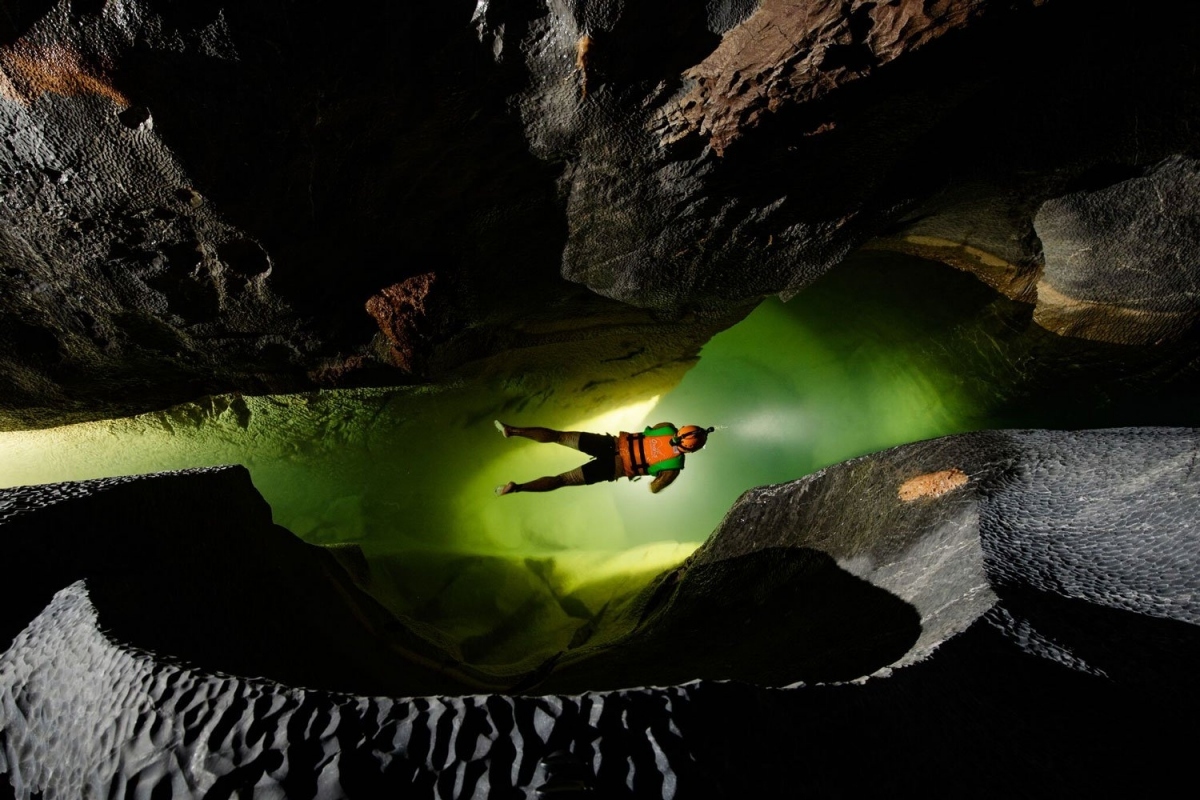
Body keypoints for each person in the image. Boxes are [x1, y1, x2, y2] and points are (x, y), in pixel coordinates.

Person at [493, 419, 714, 495]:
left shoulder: (666, 427)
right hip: (614, 468)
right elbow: (654, 488)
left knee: (559, 436)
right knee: (562, 480)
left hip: (609, 444)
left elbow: (650, 431)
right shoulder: (673, 468)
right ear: (692, 451)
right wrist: (654, 473)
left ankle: (512, 431)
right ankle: (517, 487)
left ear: (681, 430)